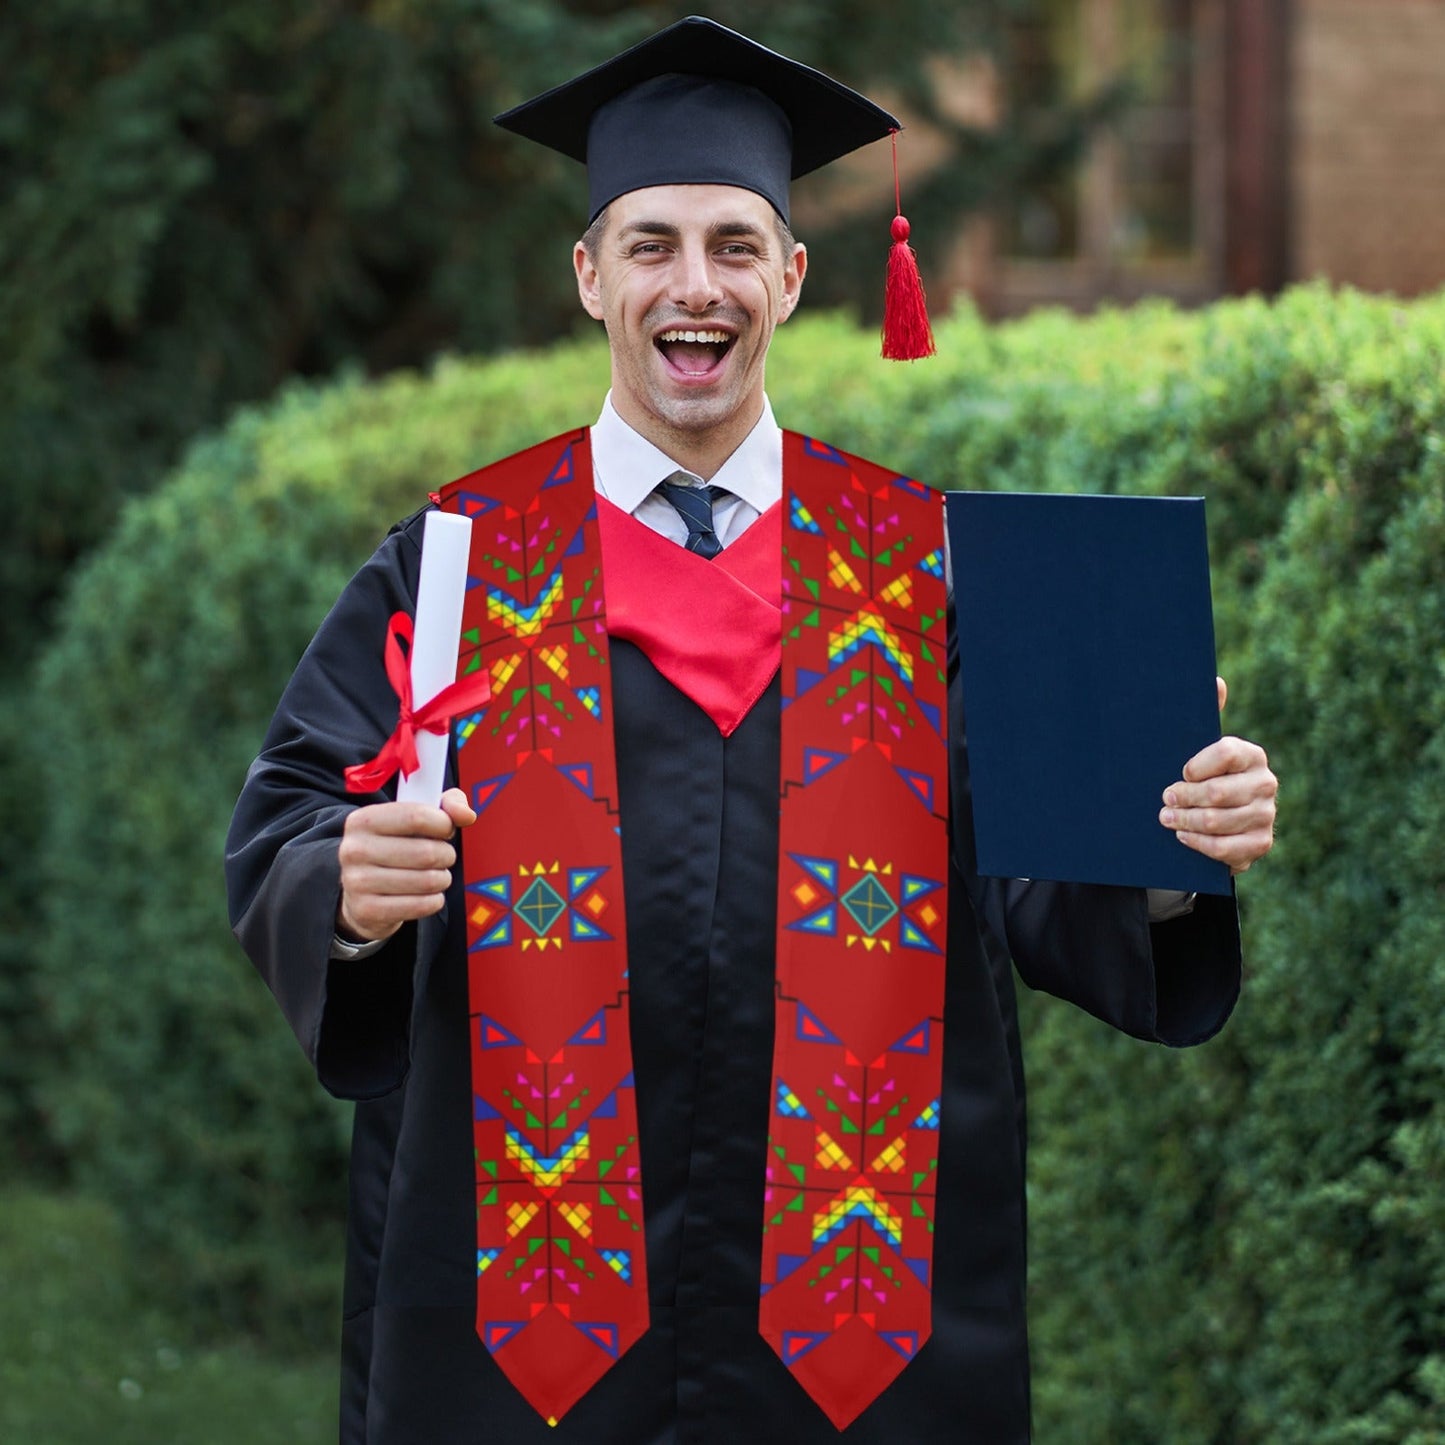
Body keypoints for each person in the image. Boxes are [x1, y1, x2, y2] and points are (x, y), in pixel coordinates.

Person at [225, 17, 1277, 1445]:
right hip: (519, 1321)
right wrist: (343, 887)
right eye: (650, 244)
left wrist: (1166, 843)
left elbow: (1041, 883)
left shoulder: (926, 572)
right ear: (589, 275)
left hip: (862, 1314)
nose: (692, 285)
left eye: (732, 244)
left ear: (790, 275)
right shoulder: (461, 565)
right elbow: (289, 818)